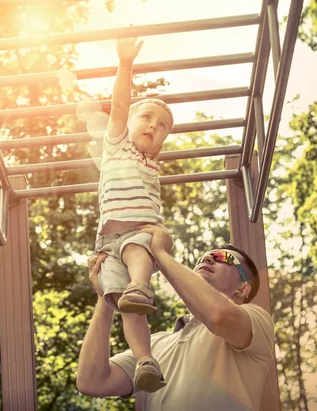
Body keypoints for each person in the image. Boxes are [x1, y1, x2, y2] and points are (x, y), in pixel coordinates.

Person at [77, 225, 275, 411]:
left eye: (222, 257)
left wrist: (160, 254)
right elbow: (93, 382)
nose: (206, 259)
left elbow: (219, 316)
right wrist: (106, 294)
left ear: (242, 288)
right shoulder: (151, 345)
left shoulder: (257, 320)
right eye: (202, 259)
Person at [93, 36, 175, 393]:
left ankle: (141, 287)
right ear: (129, 124)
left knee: (136, 253)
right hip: (109, 242)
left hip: (140, 232)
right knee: (129, 310)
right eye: (148, 118)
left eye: (162, 128)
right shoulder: (116, 146)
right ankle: (144, 359)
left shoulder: (151, 165)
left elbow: (155, 213)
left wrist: (159, 231)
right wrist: (124, 65)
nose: (153, 127)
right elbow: (120, 104)